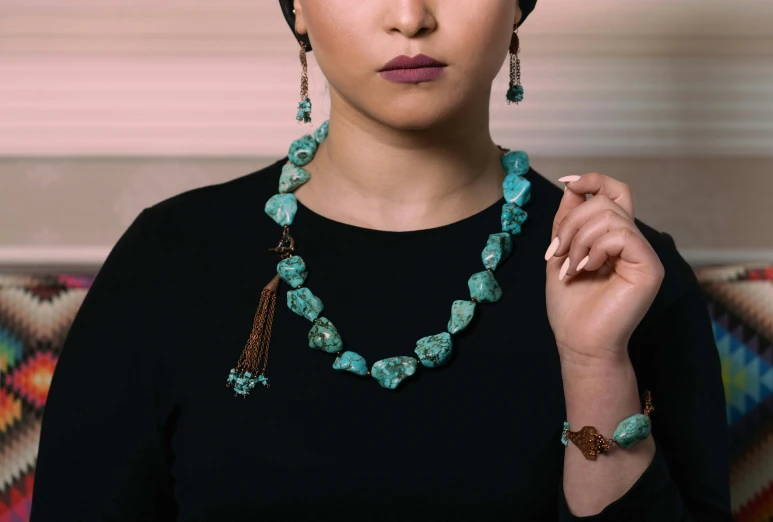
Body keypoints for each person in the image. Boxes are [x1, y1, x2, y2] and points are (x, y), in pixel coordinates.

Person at [30, 1, 734, 520]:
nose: (409, 16)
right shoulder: (170, 257)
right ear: (298, 11)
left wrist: (592, 365)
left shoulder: (624, 272)